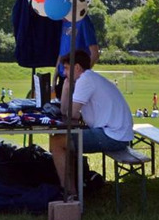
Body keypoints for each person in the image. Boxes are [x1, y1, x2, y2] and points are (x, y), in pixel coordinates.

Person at [48, 50, 134, 189]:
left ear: (77, 67)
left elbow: (71, 114)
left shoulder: (85, 80)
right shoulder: (89, 78)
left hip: (113, 136)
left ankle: (68, 192)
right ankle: (72, 188)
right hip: (115, 133)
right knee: (63, 139)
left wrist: (66, 88)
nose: (64, 73)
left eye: (67, 68)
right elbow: (67, 112)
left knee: (57, 142)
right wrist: (66, 87)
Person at [55, 17, 100, 89]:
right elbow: (62, 53)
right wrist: (54, 78)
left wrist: (81, 75)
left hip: (76, 78)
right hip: (63, 76)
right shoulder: (65, 22)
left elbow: (95, 54)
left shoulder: (83, 21)